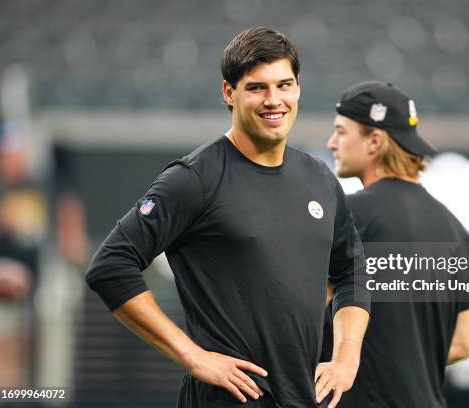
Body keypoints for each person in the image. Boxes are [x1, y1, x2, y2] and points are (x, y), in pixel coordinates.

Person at [85, 27, 370, 408]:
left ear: (298, 87)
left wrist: (346, 360)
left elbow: (353, 273)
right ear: (228, 92)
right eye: (257, 87)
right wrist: (192, 355)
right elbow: (110, 266)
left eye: (284, 85)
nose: (274, 100)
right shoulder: (196, 178)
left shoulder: (319, 179)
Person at [325, 81, 469, 408]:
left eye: (341, 131)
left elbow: (307, 309)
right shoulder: (456, 229)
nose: (332, 143)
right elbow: (463, 343)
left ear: (374, 141)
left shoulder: (348, 214)